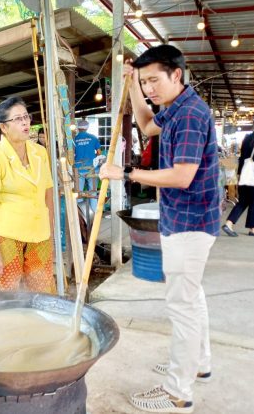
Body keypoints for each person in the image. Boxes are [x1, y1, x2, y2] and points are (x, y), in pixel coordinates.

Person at [99, 44, 220, 414]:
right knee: (191, 297)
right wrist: (133, 84)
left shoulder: (189, 116)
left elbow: (182, 177)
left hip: (190, 221)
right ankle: (197, 362)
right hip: (186, 219)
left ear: (177, 75)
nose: (150, 87)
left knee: (181, 304)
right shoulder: (175, 108)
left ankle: (177, 392)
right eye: (145, 80)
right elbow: (146, 124)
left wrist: (126, 173)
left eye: (154, 80)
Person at [0, 97, 56, 293]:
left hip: (40, 234)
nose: (25, 122)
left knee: (43, 294)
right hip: (7, 237)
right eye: (18, 119)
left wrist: (51, 233)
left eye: (26, 117)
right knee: (6, 296)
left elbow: (48, 193)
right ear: (4, 127)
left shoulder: (40, 152)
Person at [74, 119, 101, 213]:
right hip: (92, 168)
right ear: (87, 127)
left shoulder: (74, 139)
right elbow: (99, 153)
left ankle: (81, 216)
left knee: (79, 193)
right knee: (92, 192)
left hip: (78, 169)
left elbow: (71, 154)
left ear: (78, 128)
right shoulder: (93, 138)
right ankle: (94, 215)